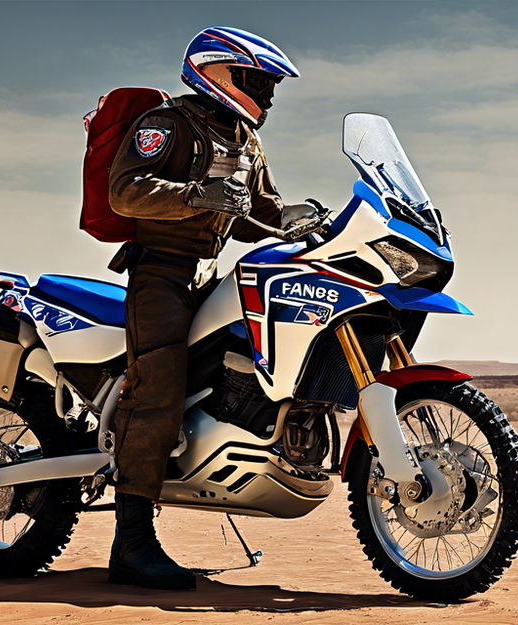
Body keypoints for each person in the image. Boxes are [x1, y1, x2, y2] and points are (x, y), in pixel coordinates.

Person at [104, 26, 317, 590]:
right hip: (161, 274)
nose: (266, 96)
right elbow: (123, 192)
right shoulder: (168, 124)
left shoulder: (245, 139)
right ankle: (131, 542)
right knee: (159, 386)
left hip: (209, 273)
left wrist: (295, 217)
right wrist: (195, 196)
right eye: (257, 81)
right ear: (219, 71)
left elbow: (256, 211)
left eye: (270, 86)